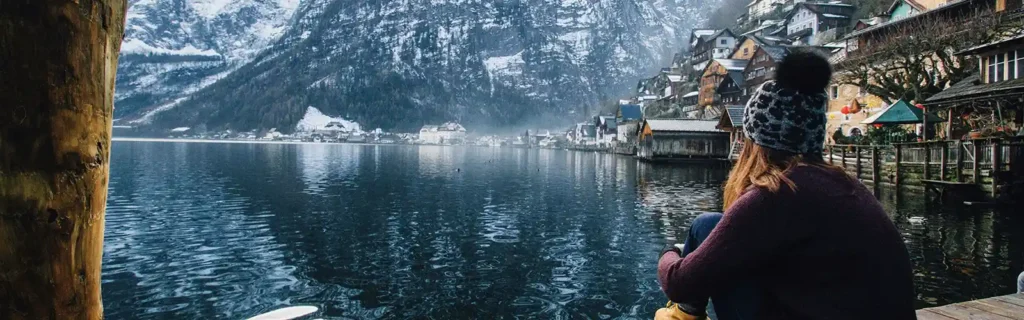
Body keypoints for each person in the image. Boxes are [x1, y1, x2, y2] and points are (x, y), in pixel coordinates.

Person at [656, 51, 916, 320]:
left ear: (757, 141)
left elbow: (677, 283)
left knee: (704, 235)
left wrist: (670, 253)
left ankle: (683, 315)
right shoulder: (845, 184)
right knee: (708, 225)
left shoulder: (777, 194)